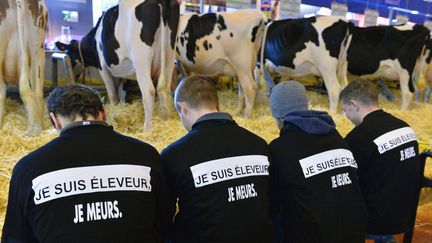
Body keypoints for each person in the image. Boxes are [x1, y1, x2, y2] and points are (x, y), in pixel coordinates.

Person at [2, 85, 171, 243]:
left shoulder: (29, 169)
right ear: (103, 113)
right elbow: (165, 220)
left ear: (55, 120)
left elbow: (15, 237)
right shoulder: (146, 156)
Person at [161, 76, 274, 243]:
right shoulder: (259, 145)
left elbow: (163, 213)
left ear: (181, 108)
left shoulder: (174, 155)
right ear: (217, 104)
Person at [268, 80, 367, 243]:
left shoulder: (279, 148)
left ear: (279, 117)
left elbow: (273, 202)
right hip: (355, 231)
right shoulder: (336, 137)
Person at [340, 79, 421, 243]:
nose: (346, 116)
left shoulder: (359, 137)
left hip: (376, 222)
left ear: (354, 105)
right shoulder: (405, 127)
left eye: (345, 110)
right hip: (406, 215)